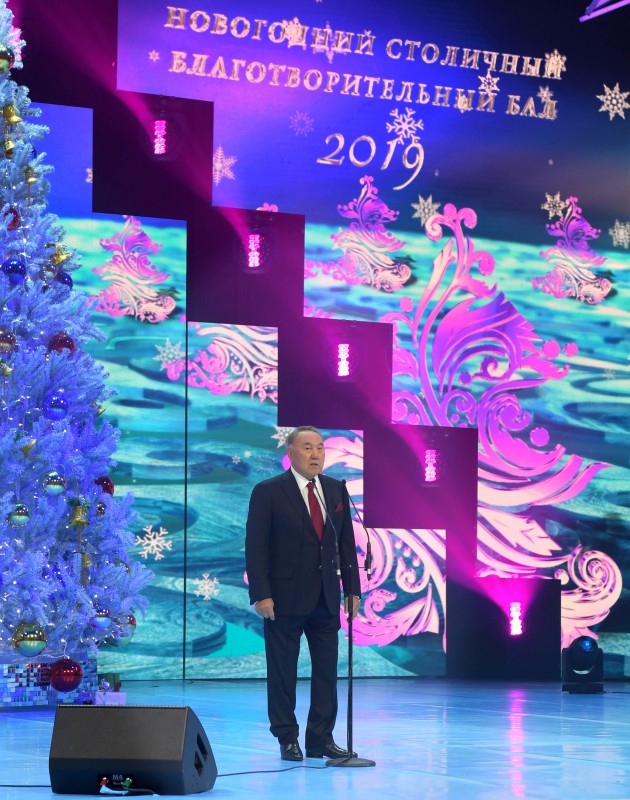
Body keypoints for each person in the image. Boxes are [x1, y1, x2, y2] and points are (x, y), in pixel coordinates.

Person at [245, 426, 361, 761]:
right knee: (283, 672)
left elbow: (346, 544)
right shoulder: (268, 491)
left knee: (326, 672)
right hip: (283, 599)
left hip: (326, 597)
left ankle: (320, 738)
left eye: (320, 448)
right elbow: (256, 546)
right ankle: (287, 738)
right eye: (307, 447)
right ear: (291, 452)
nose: (315, 454)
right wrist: (261, 593)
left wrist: (352, 589)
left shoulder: (335, 489)